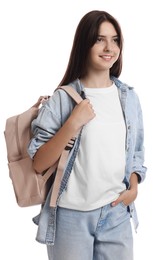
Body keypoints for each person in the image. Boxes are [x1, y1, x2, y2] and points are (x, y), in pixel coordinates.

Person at [27, 10, 147, 260]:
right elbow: (38, 163)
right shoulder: (62, 99)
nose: (109, 47)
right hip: (71, 217)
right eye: (99, 39)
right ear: (85, 43)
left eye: (115, 40)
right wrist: (73, 123)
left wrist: (133, 188)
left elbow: (136, 153)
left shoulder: (129, 98)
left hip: (116, 213)